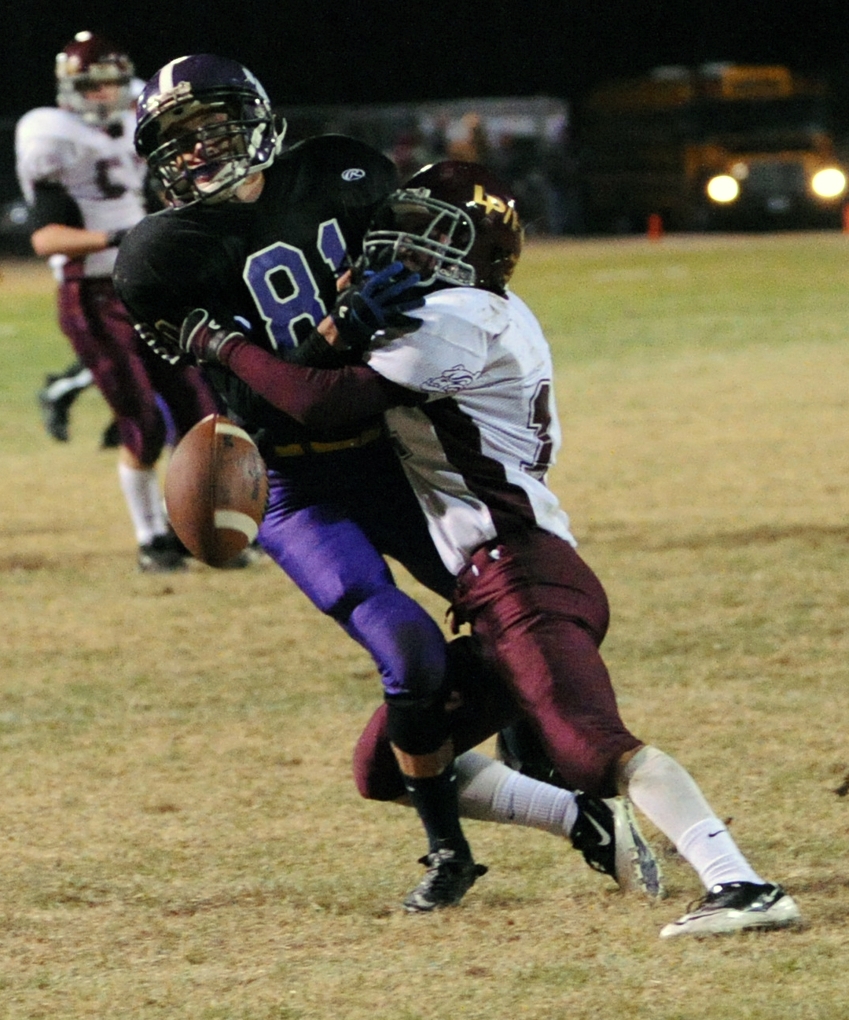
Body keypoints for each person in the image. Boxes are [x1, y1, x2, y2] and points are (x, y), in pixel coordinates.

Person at [167, 159, 803, 938]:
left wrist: (217, 342)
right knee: (389, 762)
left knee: (589, 744)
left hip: (519, 572)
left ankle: (740, 883)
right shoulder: (477, 309)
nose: (397, 248)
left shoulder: (451, 317)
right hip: (493, 580)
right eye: (394, 229)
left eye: (425, 236)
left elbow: (317, 403)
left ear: (479, 250)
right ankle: (578, 819)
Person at [113, 54, 662, 912]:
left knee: (513, 614)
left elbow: (425, 278)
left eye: (212, 123)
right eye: (178, 139)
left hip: (395, 454)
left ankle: (559, 756)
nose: (198, 147)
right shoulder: (155, 258)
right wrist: (333, 335)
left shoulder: (344, 170)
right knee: (406, 650)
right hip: (292, 476)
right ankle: (452, 849)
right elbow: (269, 386)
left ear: (253, 114)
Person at [14, 31, 220, 572]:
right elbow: (45, 239)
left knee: (200, 415)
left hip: (147, 286)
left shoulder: (137, 115)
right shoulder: (50, 135)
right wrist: (123, 237)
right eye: (93, 84)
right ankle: (151, 537)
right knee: (142, 425)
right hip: (92, 293)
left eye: (110, 82)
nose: (105, 93)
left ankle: (193, 529)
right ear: (70, 88)